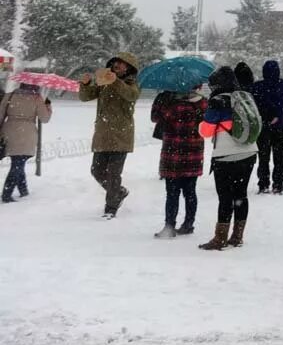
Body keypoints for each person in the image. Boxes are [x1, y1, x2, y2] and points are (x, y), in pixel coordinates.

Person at [198, 66, 258, 251]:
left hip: (225, 155)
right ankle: (237, 236)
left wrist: (202, 123)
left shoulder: (218, 101)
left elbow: (206, 132)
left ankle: (220, 238)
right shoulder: (244, 96)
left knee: (225, 197)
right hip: (249, 152)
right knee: (240, 195)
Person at [79, 52, 141, 219]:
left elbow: (131, 95)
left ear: (129, 68)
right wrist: (85, 85)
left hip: (121, 136)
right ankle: (119, 192)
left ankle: (111, 207)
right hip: (102, 134)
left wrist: (115, 82)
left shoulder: (131, 84)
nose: (117, 66)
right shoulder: (104, 82)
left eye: (121, 64)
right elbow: (85, 97)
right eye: (115, 63)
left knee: (114, 173)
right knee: (96, 170)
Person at [149, 87, 206, 238]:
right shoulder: (201, 102)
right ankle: (188, 224)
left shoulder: (167, 100)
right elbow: (207, 123)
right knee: (190, 191)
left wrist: (163, 102)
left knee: (172, 192)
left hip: (172, 152)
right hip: (194, 152)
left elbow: (154, 117)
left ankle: (169, 226)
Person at [249, 60, 283, 194]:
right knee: (279, 158)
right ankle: (278, 184)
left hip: (263, 127)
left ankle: (263, 183)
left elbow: (251, 108)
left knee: (263, 158)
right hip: (281, 128)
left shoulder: (256, 87)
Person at [0, 83, 52, 203]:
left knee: (17, 161)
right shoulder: (37, 98)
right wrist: (48, 105)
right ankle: (6, 194)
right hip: (27, 133)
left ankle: (23, 190)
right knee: (18, 163)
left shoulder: (10, 95)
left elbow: (0, 115)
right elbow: (45, 119)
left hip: (9, 132)